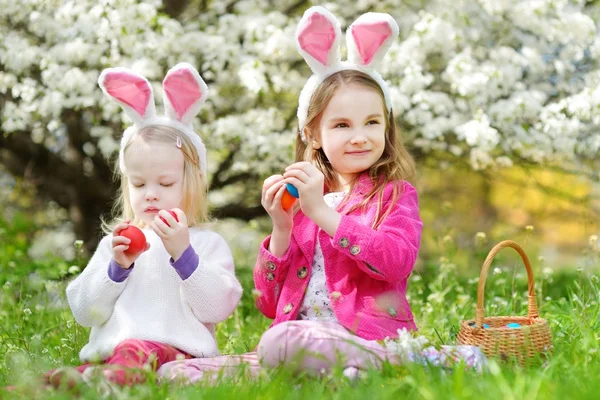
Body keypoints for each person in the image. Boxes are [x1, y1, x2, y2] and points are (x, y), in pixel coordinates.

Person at [158, 7, 484, 383]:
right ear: (312, 134)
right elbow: (266, 302)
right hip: (294, 341)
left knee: (282, 342)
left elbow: (395, 262)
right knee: (175, 373)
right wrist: (281, 227)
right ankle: (346, 374)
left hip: (363, 336)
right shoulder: (301, 200)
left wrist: (321, 213)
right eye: (342, 125)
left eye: (372, 123)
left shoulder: (394, 195)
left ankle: (397, 360)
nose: (359, 136)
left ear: (387, 125)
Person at [47, 63, 243, 389]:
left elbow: (218, 307)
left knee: (130, 358)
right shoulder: (116, 244)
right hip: (115, 357)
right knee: (61, 380)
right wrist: (115, 270)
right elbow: (84, 312)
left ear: (192, 183)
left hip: (177, 358)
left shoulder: (206, 244)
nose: (151, 194)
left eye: (165, 183)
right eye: (138, 185)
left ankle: (100, 385)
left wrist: (184, 255)